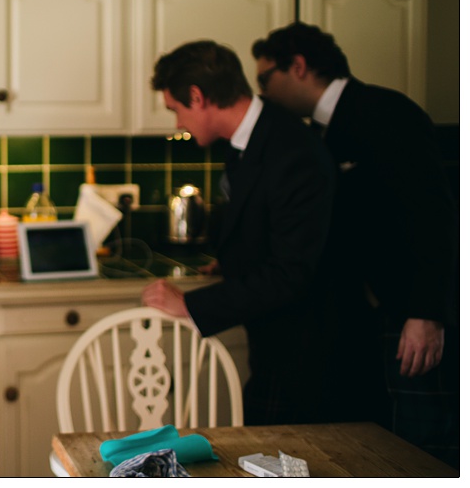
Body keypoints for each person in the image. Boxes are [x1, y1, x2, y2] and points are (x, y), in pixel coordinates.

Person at [251, 22, 457, 463]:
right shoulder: (325, 128)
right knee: (383, 440)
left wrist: (426, 314)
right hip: (371, 311)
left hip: (408, 309)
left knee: (421, 444)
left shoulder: (384, 111)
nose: (263, 93)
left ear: (299, 67)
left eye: (266, 79)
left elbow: (432, 213)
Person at [139, 40, 355, 426]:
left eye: (176, 110)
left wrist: (190, 306)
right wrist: (233, 256)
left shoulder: (292, 151)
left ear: (197, 96)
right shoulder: (248, 141)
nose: (178, 125)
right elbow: (271, 225)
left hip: (311, 357)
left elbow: (291, 273)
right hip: (277, 348)